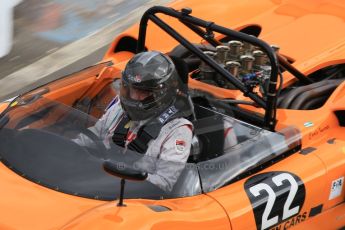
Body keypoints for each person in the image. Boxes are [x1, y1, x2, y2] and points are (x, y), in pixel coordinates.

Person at [74, 51, 194, 192]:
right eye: (132, 89)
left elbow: (163, 183)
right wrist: (70, 148)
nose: (135, 97)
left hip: (129, 194)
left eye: (144, 92)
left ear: (162, 94)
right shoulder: (120, 106)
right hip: (97, 177)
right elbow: (92, 135)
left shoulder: (178, 130)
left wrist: (118, 180)